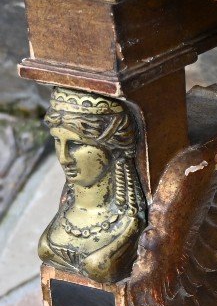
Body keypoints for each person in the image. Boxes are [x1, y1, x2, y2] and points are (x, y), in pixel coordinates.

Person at [38, 89, 145, 283]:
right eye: (56, 140)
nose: (63, 158)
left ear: (112, 147)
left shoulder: (129, 224)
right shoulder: (67, 206)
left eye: (76, 144)